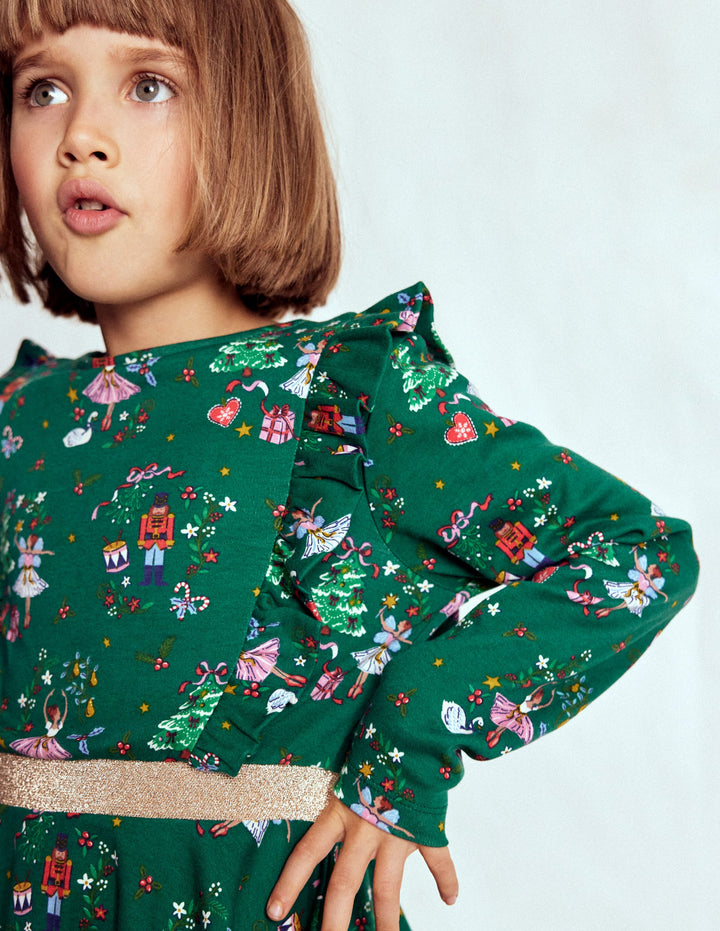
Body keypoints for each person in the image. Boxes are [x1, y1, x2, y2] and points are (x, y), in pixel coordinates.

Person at [0, 2, 699, 930]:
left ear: (251, 124)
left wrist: (414, 731)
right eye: (42, 89)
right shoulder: (19, 420)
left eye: (150, 85)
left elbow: (638, 553)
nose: (80, 136)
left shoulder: (350, 397)